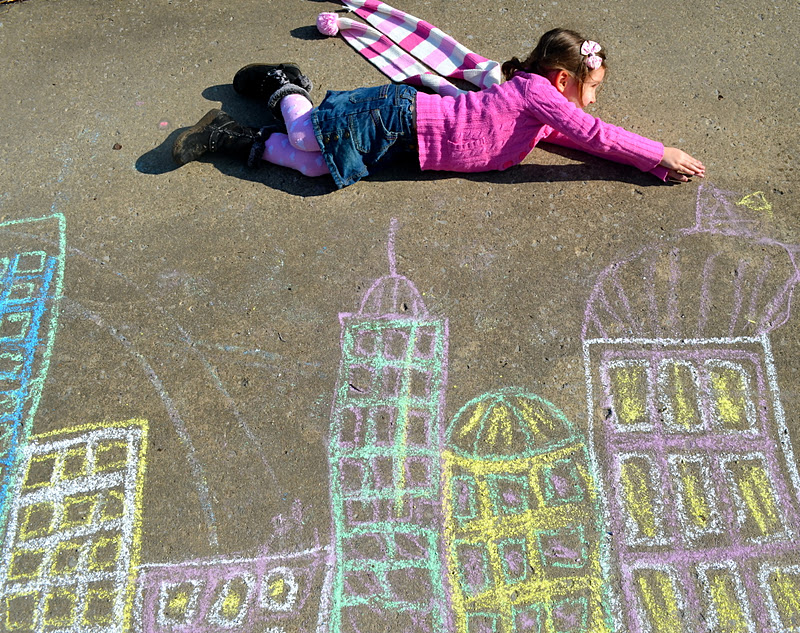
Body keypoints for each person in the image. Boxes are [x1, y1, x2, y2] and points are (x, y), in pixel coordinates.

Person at [172, 28, 705, 188]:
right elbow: (594, 132)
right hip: (399, 114)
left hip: (409, 146)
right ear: (563, 79)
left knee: (315, 167)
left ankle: (230, 136)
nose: (593, 101)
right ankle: (283, 85)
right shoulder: (537, 92)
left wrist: (649, 165)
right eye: (593, 89)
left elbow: (582, 141)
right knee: (310, 139)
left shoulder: (541, 115)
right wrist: (663, 149)